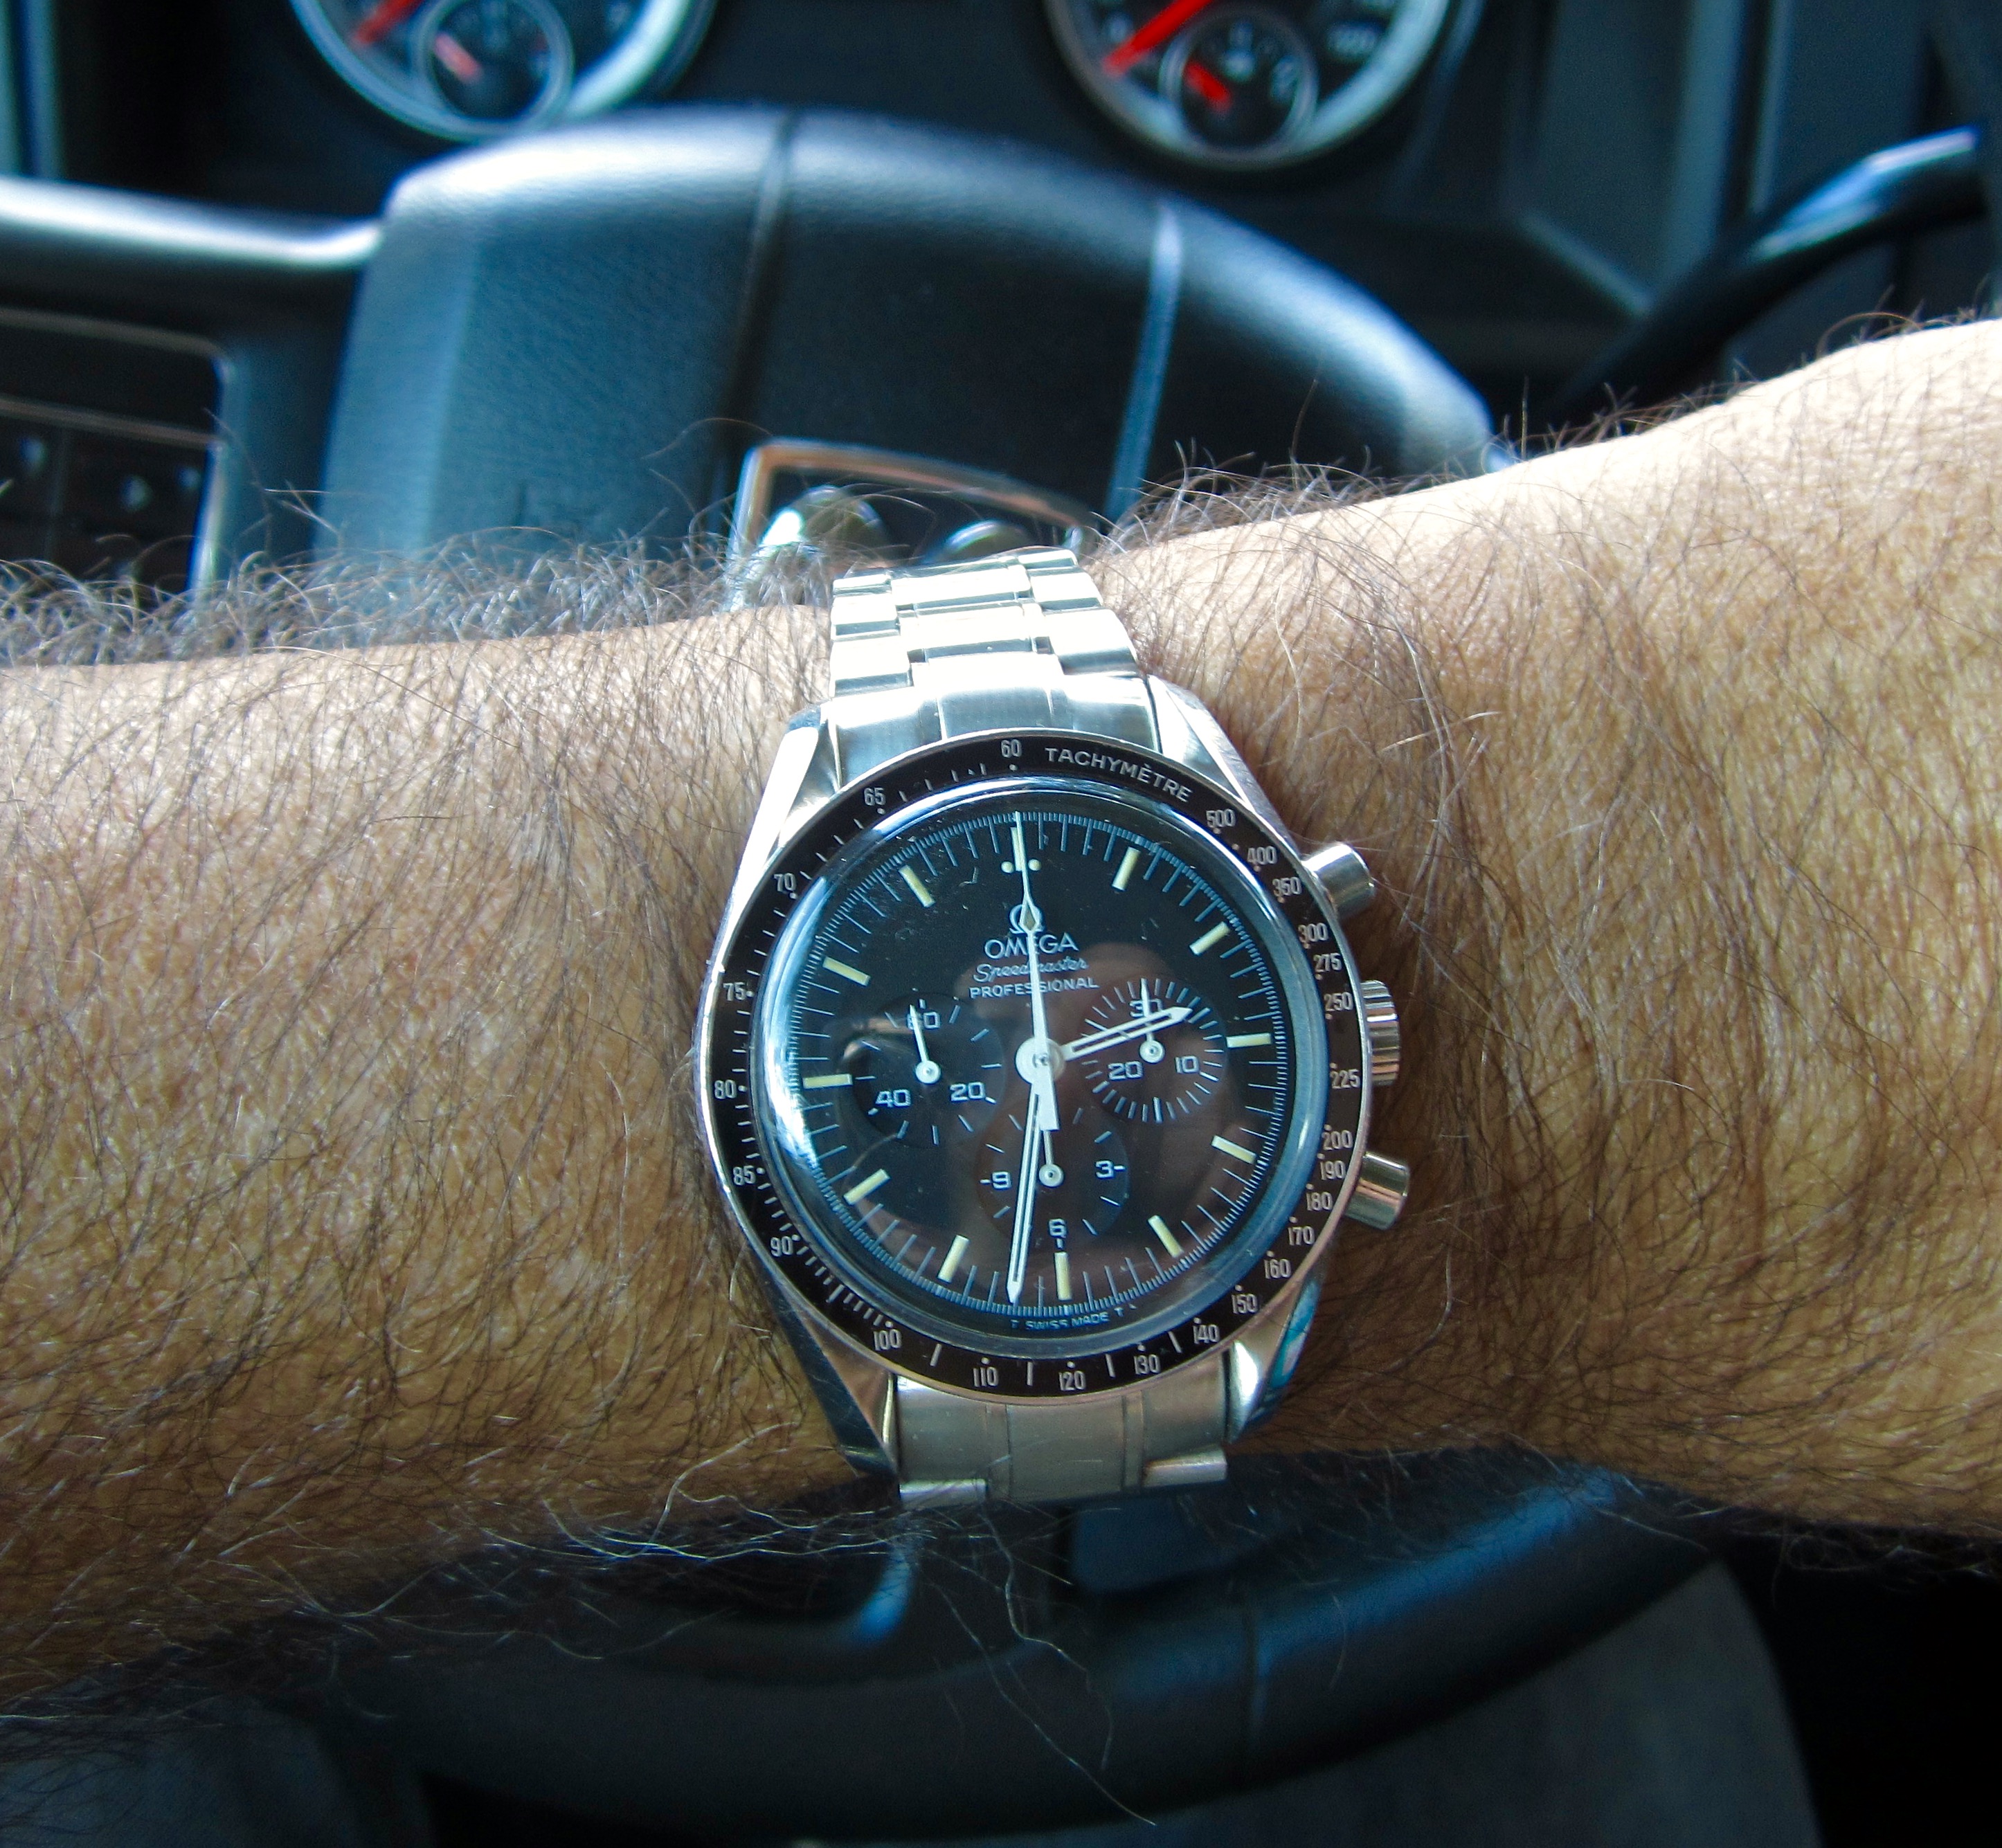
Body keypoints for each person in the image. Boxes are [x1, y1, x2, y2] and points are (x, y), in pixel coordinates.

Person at [0, 316, 1998, 1721]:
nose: (1042, 1053)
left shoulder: (1256, 1082)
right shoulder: (852, 1054)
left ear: (1345, 1028)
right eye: (1021, 1051)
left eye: (1079, 1038)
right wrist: (1697, 900)